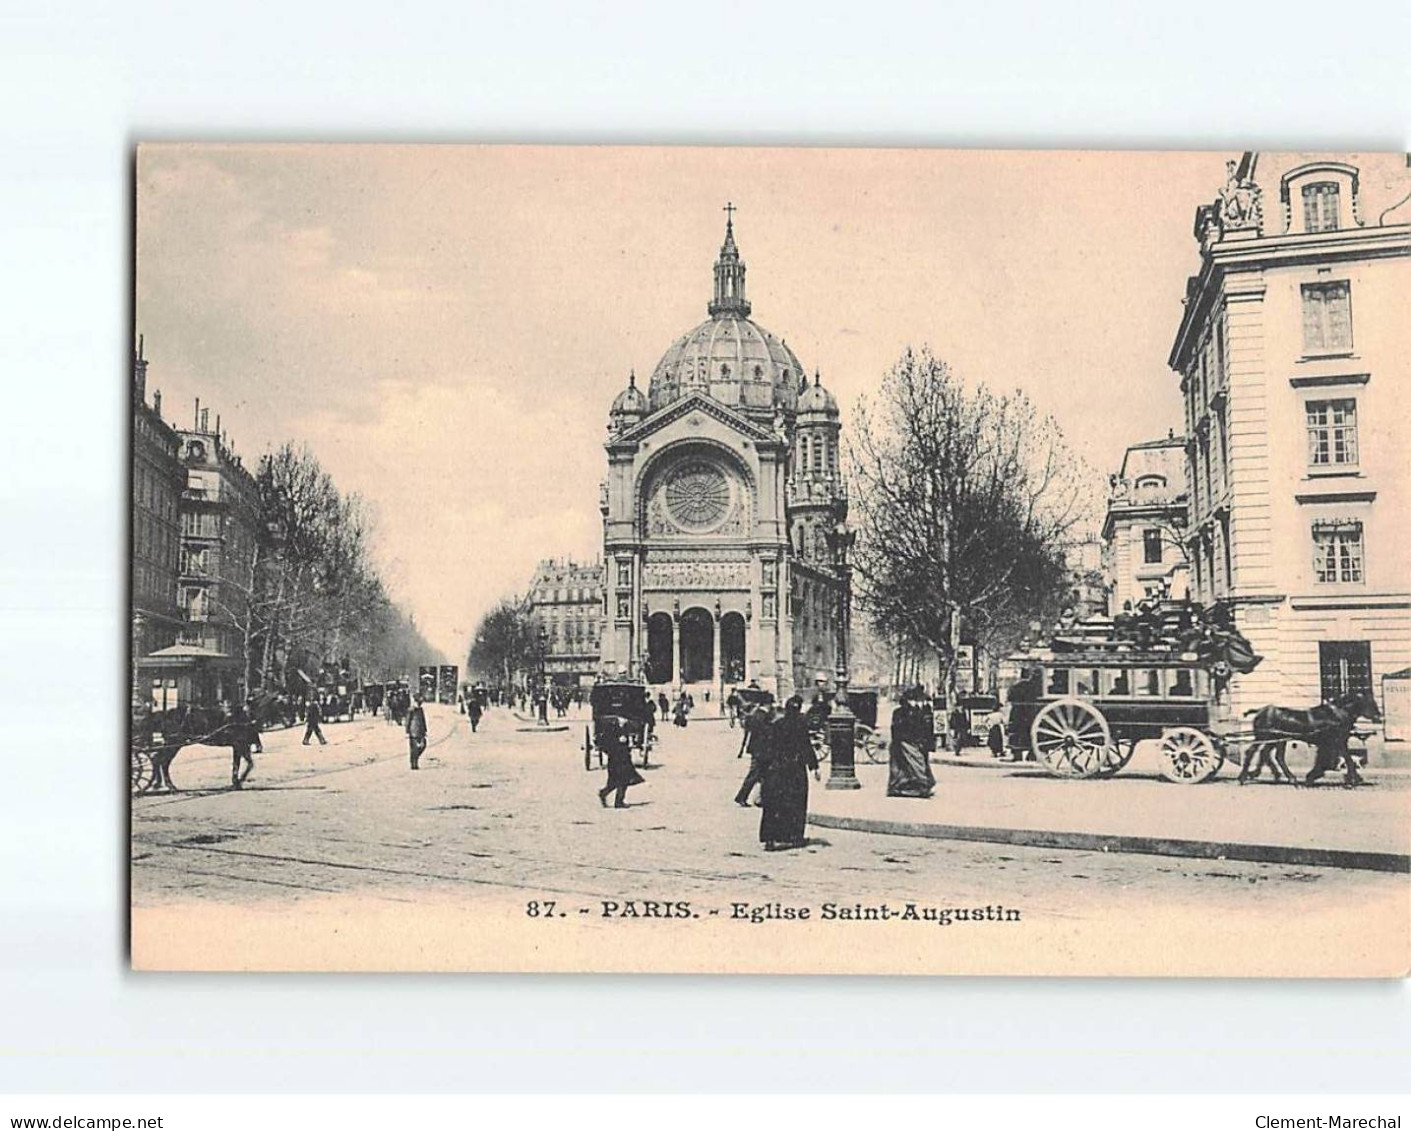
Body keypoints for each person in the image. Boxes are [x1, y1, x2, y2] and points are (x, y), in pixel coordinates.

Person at [757, 696, 819, 850]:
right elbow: (806, 746)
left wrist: (763, 771)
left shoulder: (777, 725)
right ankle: (795, 837)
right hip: (795, 769)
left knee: (774, 804)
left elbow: (768, 748)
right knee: (796, 803)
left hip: (777, 769)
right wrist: (814, 766)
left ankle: (770, 839)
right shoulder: (801, 725)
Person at [888, 687, 936, 798]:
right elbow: (899, 728)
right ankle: (919, 786)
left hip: (912, 741)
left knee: (911, 765)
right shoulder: (905, 712)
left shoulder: (916, 711)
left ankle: (908, 786)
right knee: (914, 765)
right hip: (906, 742)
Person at [597, 715, 644, 808]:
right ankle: (607, 795)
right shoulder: (611, 727)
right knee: (616, 781)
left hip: (625, 758)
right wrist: (617, 742)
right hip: (615, 758)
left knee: (625, 779)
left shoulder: (626, 727)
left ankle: (616, 799)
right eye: (624, 719)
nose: (625, 721)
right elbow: (604, 742)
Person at [734, 703, 773, 807]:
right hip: (761, 750)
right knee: (754, 775)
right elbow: (765, 732)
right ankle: (742, 797)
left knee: (763, 775)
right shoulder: (762, 716)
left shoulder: (756, 714)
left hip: (757, 749)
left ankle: (761, 798)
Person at [406, 692, 428, 770]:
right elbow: (408, 721)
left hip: (421, 731)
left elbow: (423, 720)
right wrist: (407, 731)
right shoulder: (411, 710)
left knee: (423, 745)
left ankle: (414, 759)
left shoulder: (420, 709)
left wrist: (425, 730)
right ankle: (414, 763)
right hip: (413, 731)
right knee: (414, 748)